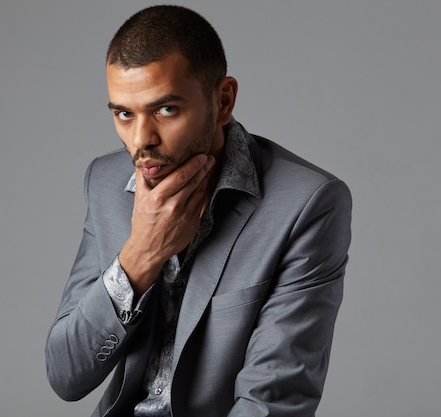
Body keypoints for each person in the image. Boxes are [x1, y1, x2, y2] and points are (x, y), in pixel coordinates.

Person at [45, 5, 351, 417]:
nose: (140, 140)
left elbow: (271, 404)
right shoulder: (106, 183)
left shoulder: (305, 204)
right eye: (124, 114)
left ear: (223, 101)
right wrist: (140, 255)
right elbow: (67, 375)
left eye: (165, 110)